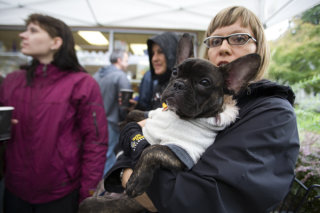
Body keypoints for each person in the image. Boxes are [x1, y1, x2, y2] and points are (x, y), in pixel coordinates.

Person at [103, 6, 300, 213]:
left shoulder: (272, 115)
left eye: (239, 38)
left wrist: (132, 152)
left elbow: (193, 200)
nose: (223, 47)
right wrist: (133, 144)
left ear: (259, 48)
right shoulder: (199, 104)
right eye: (215, 41)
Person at [0, 13, 108, 213]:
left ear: (56, 42)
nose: (23, 35)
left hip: (61, 191)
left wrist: (88, 195)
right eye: (26, 30)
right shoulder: (12, 82)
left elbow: (95, 143)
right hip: (15, 189)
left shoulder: (82, 84)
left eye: (33, 30)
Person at [93, 50, 131, 176]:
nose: (127, 62)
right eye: (126, 59)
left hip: (94, 123)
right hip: (111, 125)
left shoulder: (97, 75)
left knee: (95, 156)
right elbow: (125, 106)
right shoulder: (121, 77)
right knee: (109, 158)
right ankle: (103, 191)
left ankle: (93, 186)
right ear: (119, 60)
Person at [133, 32, 179, 111]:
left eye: (160, 52)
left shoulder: (179, 88)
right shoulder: (160, 83)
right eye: (152, 53)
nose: (154, 59)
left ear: (172, 53)